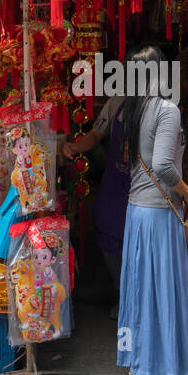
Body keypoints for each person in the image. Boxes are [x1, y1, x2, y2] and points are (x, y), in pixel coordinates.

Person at [117, 46, 188, 375]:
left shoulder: (133, 109)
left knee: (142, 291)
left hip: (139, 212)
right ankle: (143, 373)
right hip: (158, 214)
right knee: (157, 292)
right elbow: (164, 165)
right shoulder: (166, 110)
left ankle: (144, 365)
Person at [62, 94, 129, 317]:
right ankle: (123, 293)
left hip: (145, 184)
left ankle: (137, 300)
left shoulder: (160, 103)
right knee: (106, 225)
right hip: (116, 182)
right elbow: (95, 134)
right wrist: (75, 147)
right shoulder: (116, 103)